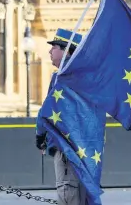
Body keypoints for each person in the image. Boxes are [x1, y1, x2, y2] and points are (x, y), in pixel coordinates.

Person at [35, 28, 87, 205]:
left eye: (55, 47)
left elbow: (47, 112)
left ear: (66, 51)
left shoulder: (63, 78)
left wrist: (40, 136)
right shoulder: (85, 78)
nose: (50, 51)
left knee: (68, 194)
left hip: (66, 147)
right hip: (83, 147)